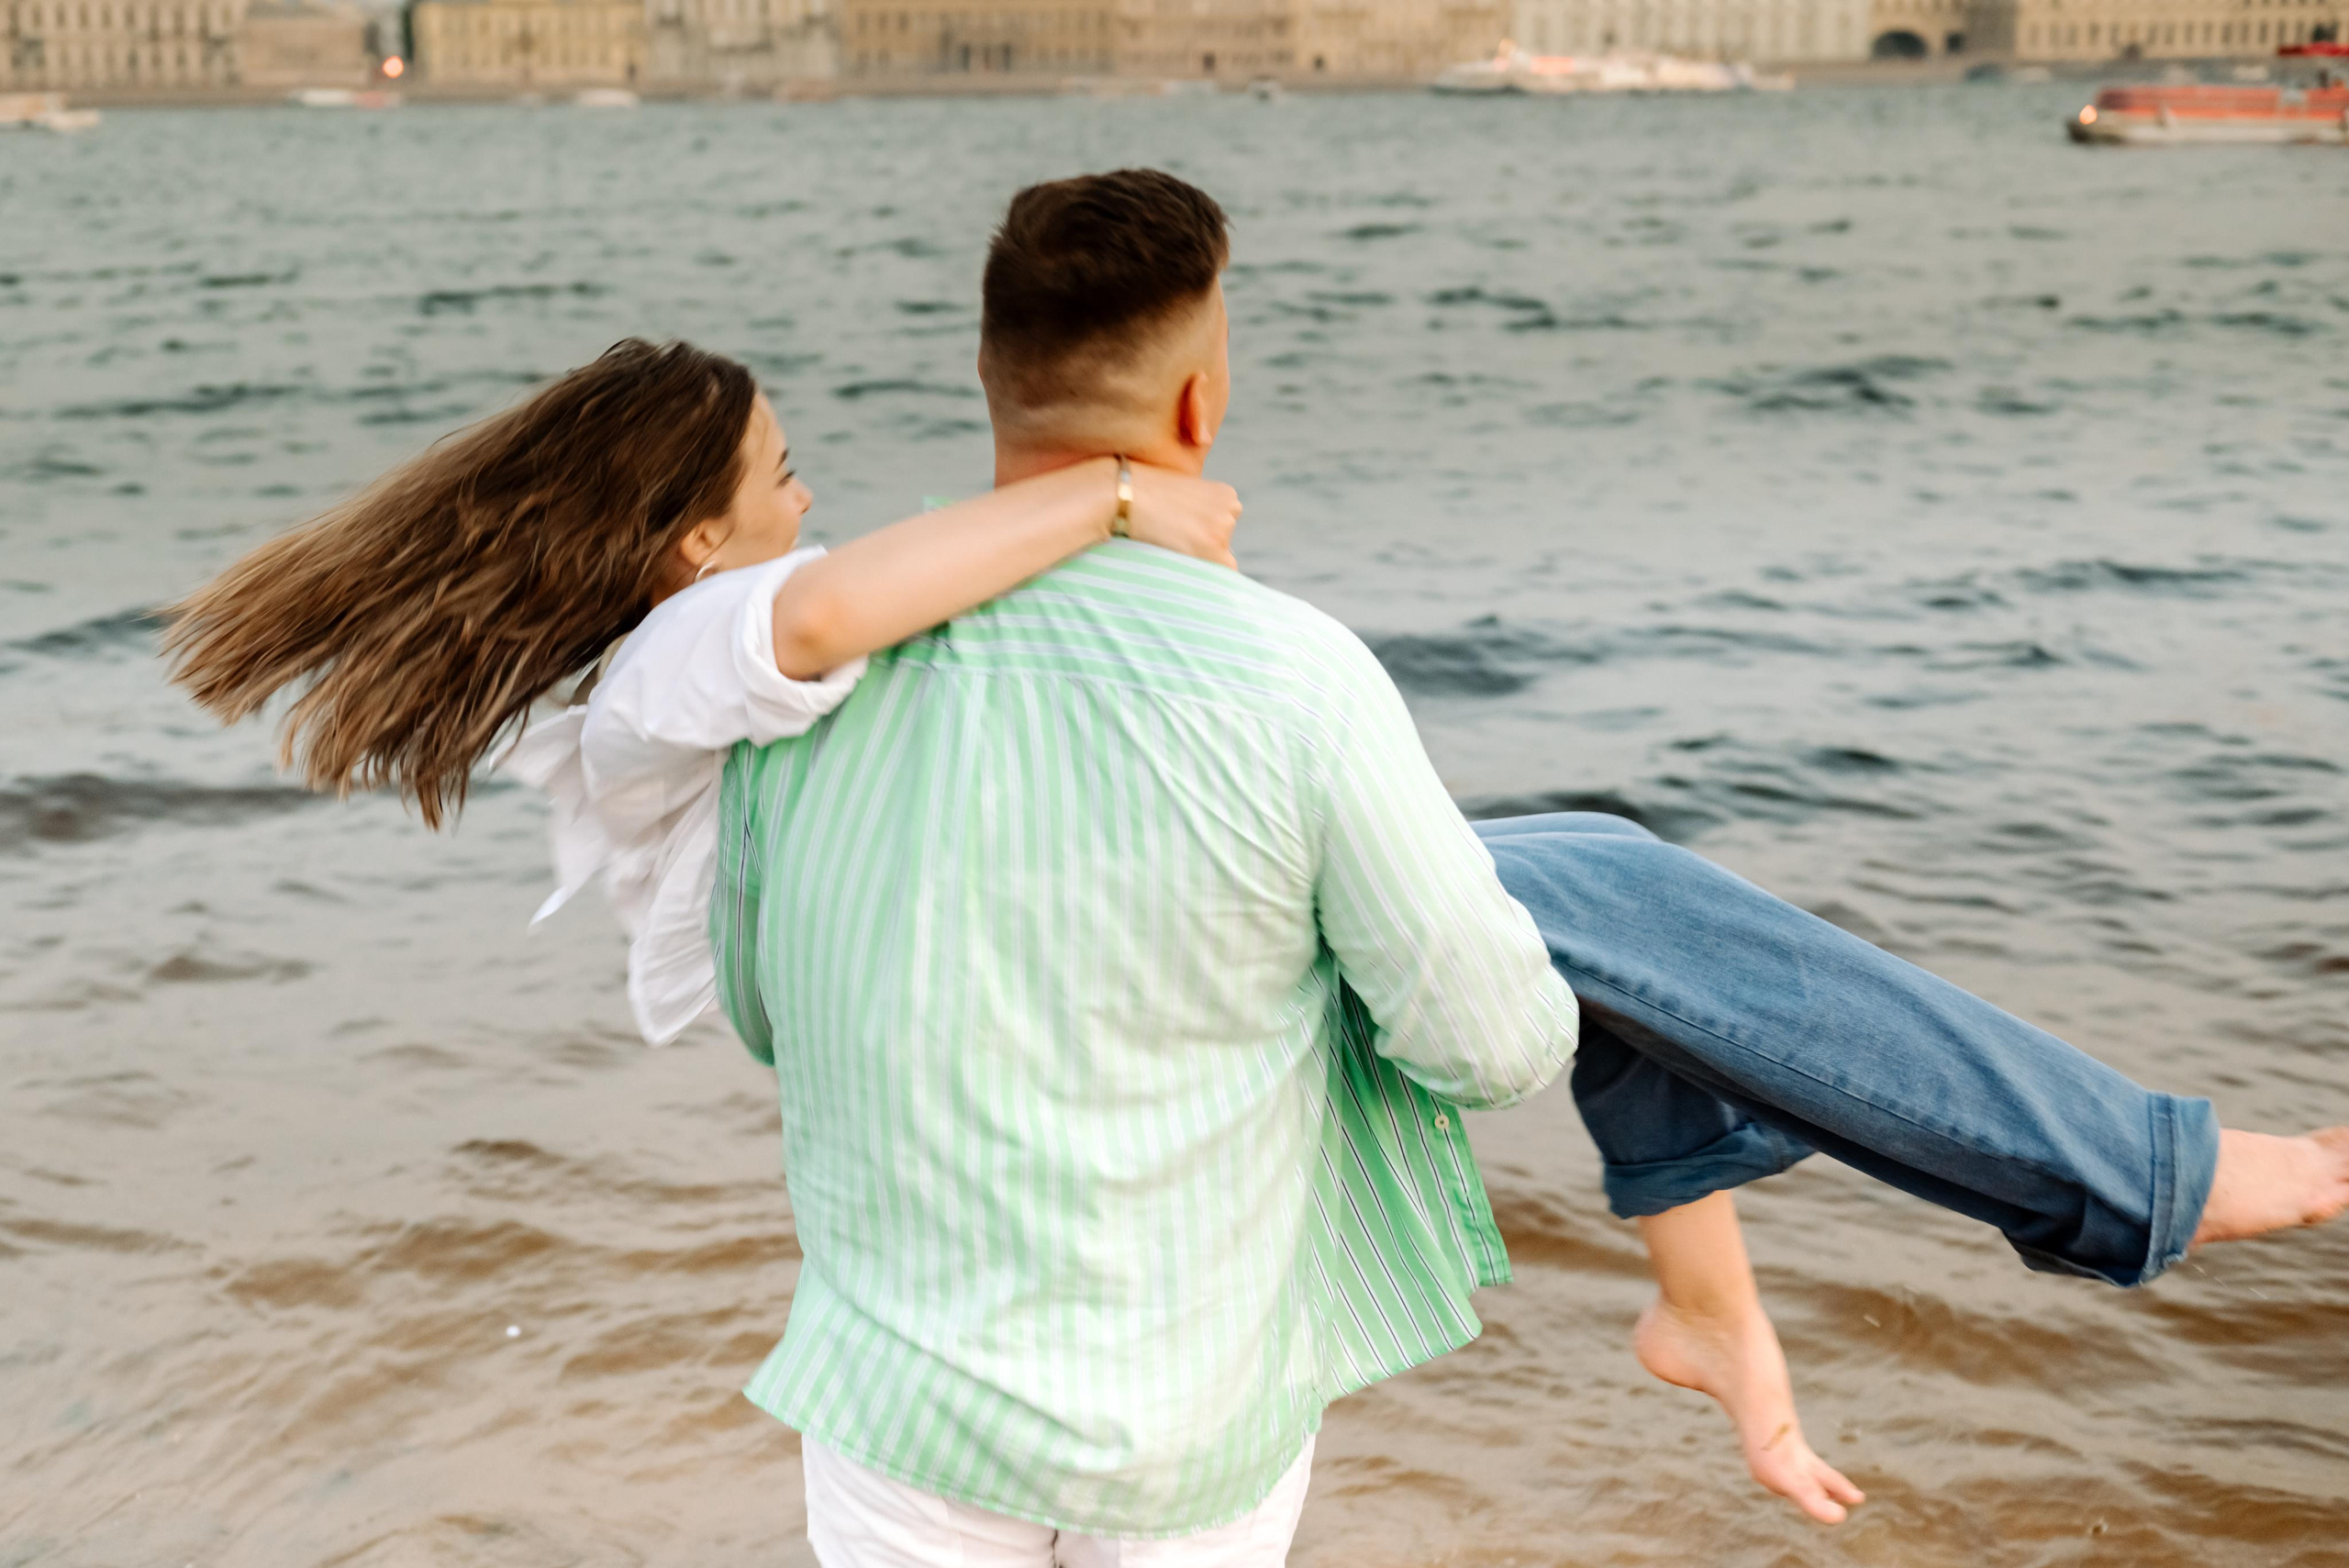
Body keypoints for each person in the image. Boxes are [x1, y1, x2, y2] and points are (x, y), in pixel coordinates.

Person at [165, 171, 2349, 1562]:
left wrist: (1086, 527)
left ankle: (1720, 1304)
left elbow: (864, 621)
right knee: (1566, 911)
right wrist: (1124, 509)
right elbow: (829, 613)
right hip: (1166, 1391)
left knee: (1580, 895)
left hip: (898, 1346)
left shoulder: (773, 667)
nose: (810, 500)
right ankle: (2124, 1181)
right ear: (1200, 403)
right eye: (778, 476)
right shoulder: (713, 659)